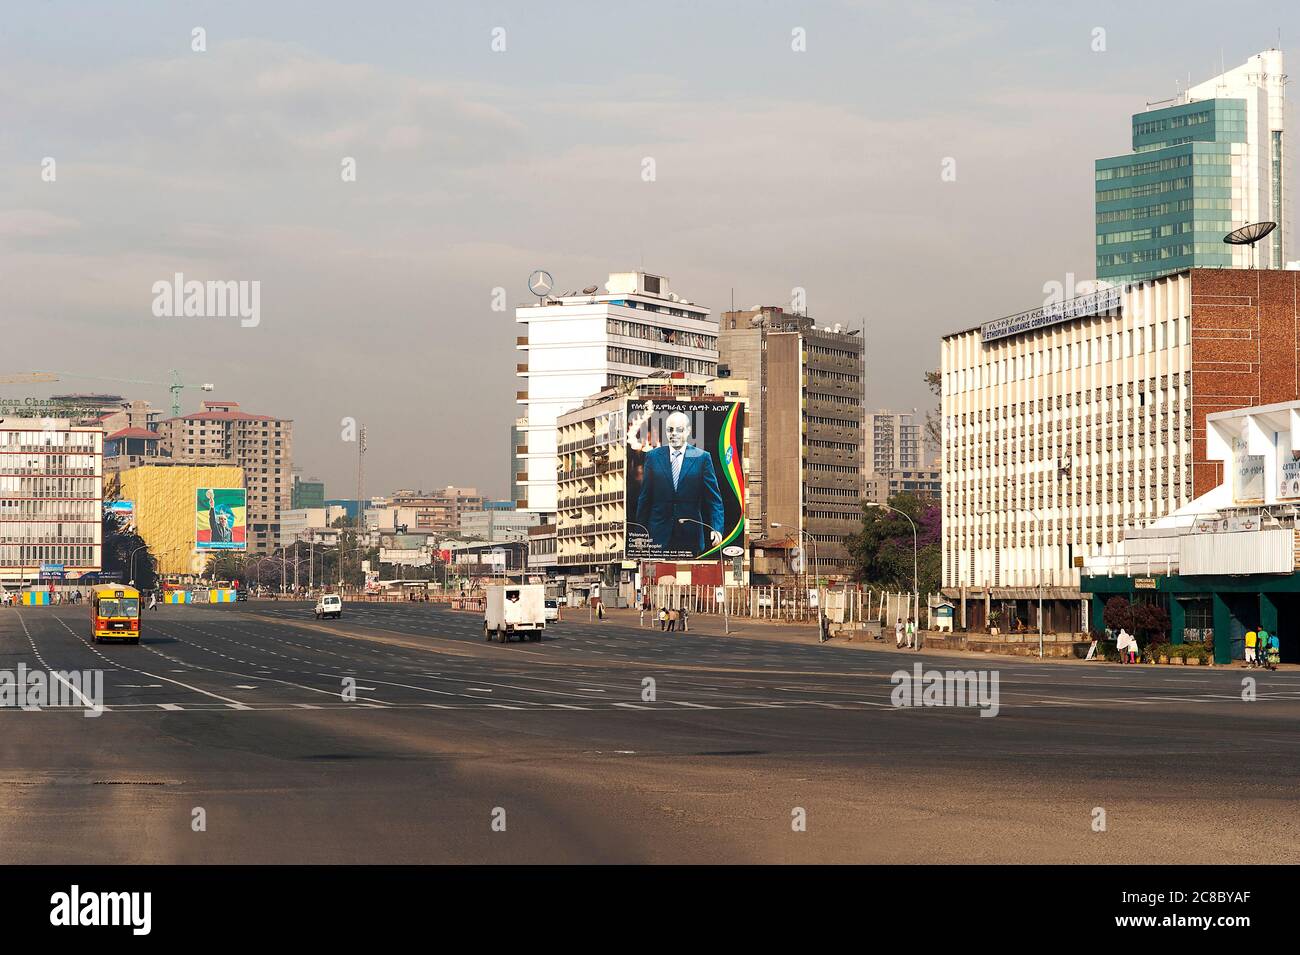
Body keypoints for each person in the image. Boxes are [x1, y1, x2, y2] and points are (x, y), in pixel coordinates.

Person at [634, 411, 725, 556]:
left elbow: (714, 500)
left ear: (688, 431)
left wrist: (717, 528)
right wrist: (639, 533)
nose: (674, 434)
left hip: (691, 535)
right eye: (670, 430)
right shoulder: (653, 457)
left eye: (679, 430)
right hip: (658, 535)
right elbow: (645, 498)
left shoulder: (702, 457)